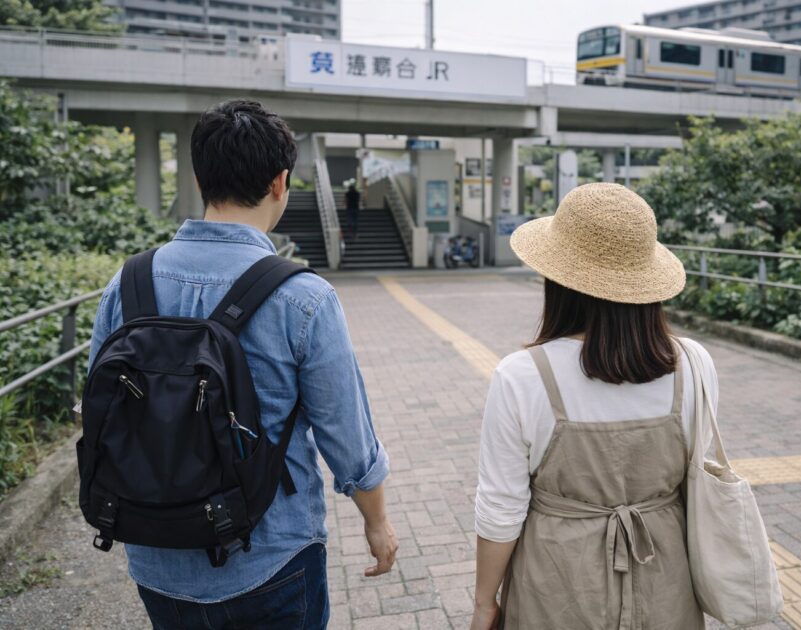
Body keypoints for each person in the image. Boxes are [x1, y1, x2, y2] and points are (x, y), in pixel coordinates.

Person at [88, 100, 397, 629]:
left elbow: (99, 410)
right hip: (271, 555)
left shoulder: (128, 283)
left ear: (199, 176)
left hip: (155, 557)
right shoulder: (303, 298)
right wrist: (377, 523)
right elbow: (347, 436)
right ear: (280, 182)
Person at [471, 183, 718, 630]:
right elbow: (702, 474)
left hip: (554, 584)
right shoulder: (693, 364)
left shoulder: (522, 374)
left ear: (559, 280)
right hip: (666, 578)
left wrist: (484, 603)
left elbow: (501, 508)